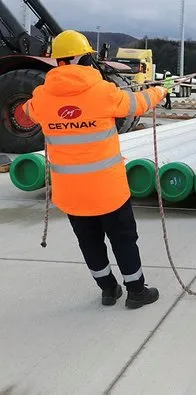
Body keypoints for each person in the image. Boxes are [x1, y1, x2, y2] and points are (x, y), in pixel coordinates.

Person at [22, 30, 168, 308]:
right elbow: (137, 104)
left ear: (58, 62)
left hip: (71, 195)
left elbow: (24, 113)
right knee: (123, 240)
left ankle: (108, 290)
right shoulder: (103, 91)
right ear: (85, 58)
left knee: (89, 243)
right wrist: (160, 90)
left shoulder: (41, 97)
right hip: (108, 191)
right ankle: (137, 292)